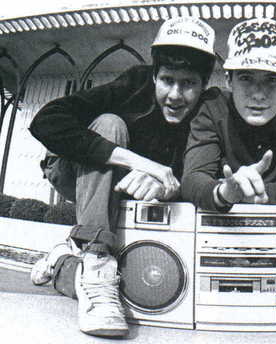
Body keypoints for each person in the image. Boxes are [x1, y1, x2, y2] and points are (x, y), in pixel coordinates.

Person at [28, 17, 217, 337]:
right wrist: (142, 163)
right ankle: (97, 262)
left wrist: (166, 186)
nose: (175, 94)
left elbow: (199, 176)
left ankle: (63, 261)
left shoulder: (208, 112)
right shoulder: (134, 84)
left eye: (188, 83)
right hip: (72, 171)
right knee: (109, 123)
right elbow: (45, 121)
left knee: (135, 288)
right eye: (167, 80)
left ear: (203, 85)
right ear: (154, 75)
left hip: (130, 186)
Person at [181, 18, 276, 210]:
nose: (258, 94)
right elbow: (192, 179)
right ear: (229, 80)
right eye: (246, 78)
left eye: (272, 79)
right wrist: (224, 193)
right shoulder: (213, 105)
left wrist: (247, 195)